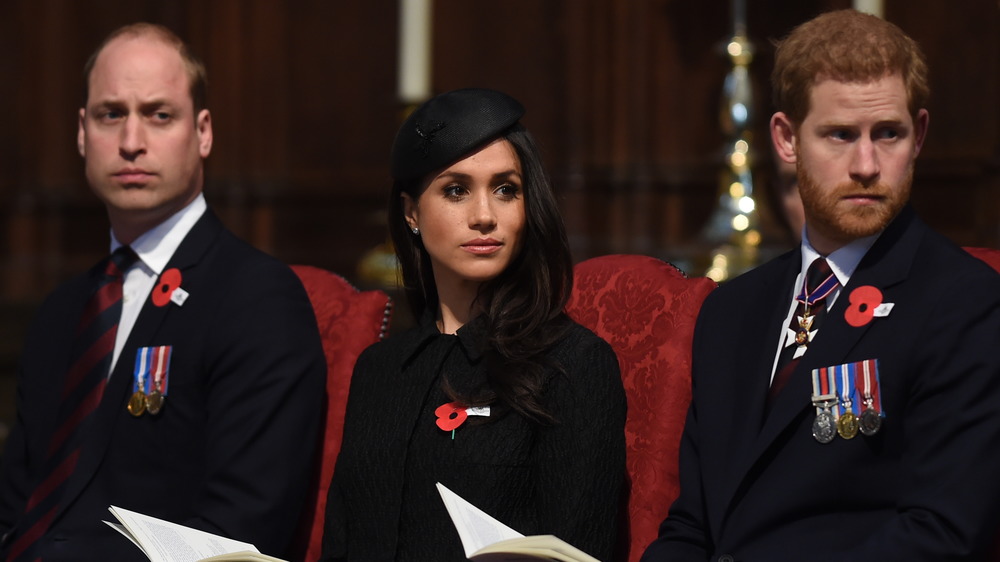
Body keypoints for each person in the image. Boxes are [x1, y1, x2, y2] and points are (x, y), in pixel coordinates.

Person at [642, 9, 1000, 561]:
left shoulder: (964, 302)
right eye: (839, 135)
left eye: (888, 134)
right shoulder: (732, 309)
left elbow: (941, 533)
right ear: (786, 139)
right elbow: (693, 525)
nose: (866, 164)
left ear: (919, 135)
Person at [0, 23, 326, 560]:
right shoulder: (61, 312)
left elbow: (237, 531)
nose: (131, 142)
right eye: (111, 115)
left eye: (158, 115)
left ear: (202, 132)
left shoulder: (257, 298)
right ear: (82, 132)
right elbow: (17, 509)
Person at [321, 88, 626, 561]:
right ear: (411, 213)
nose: (485, 216)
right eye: (456, 190)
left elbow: (581, 549)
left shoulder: (575, 365)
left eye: (506, 189)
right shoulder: (379, 369)